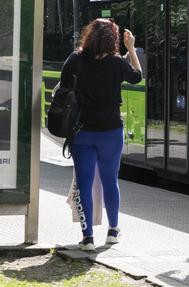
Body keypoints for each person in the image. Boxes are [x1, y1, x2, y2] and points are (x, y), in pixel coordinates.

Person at [60, 19, 142, 251]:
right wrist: (132, 49)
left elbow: (64, 86)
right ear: (112, 40)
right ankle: (113, 230)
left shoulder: (76, 59)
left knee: (84, 184)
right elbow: (138, 76)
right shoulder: (117, 62)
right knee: (110, 182)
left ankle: (87, 237)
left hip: (82, 132)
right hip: (111, 133)